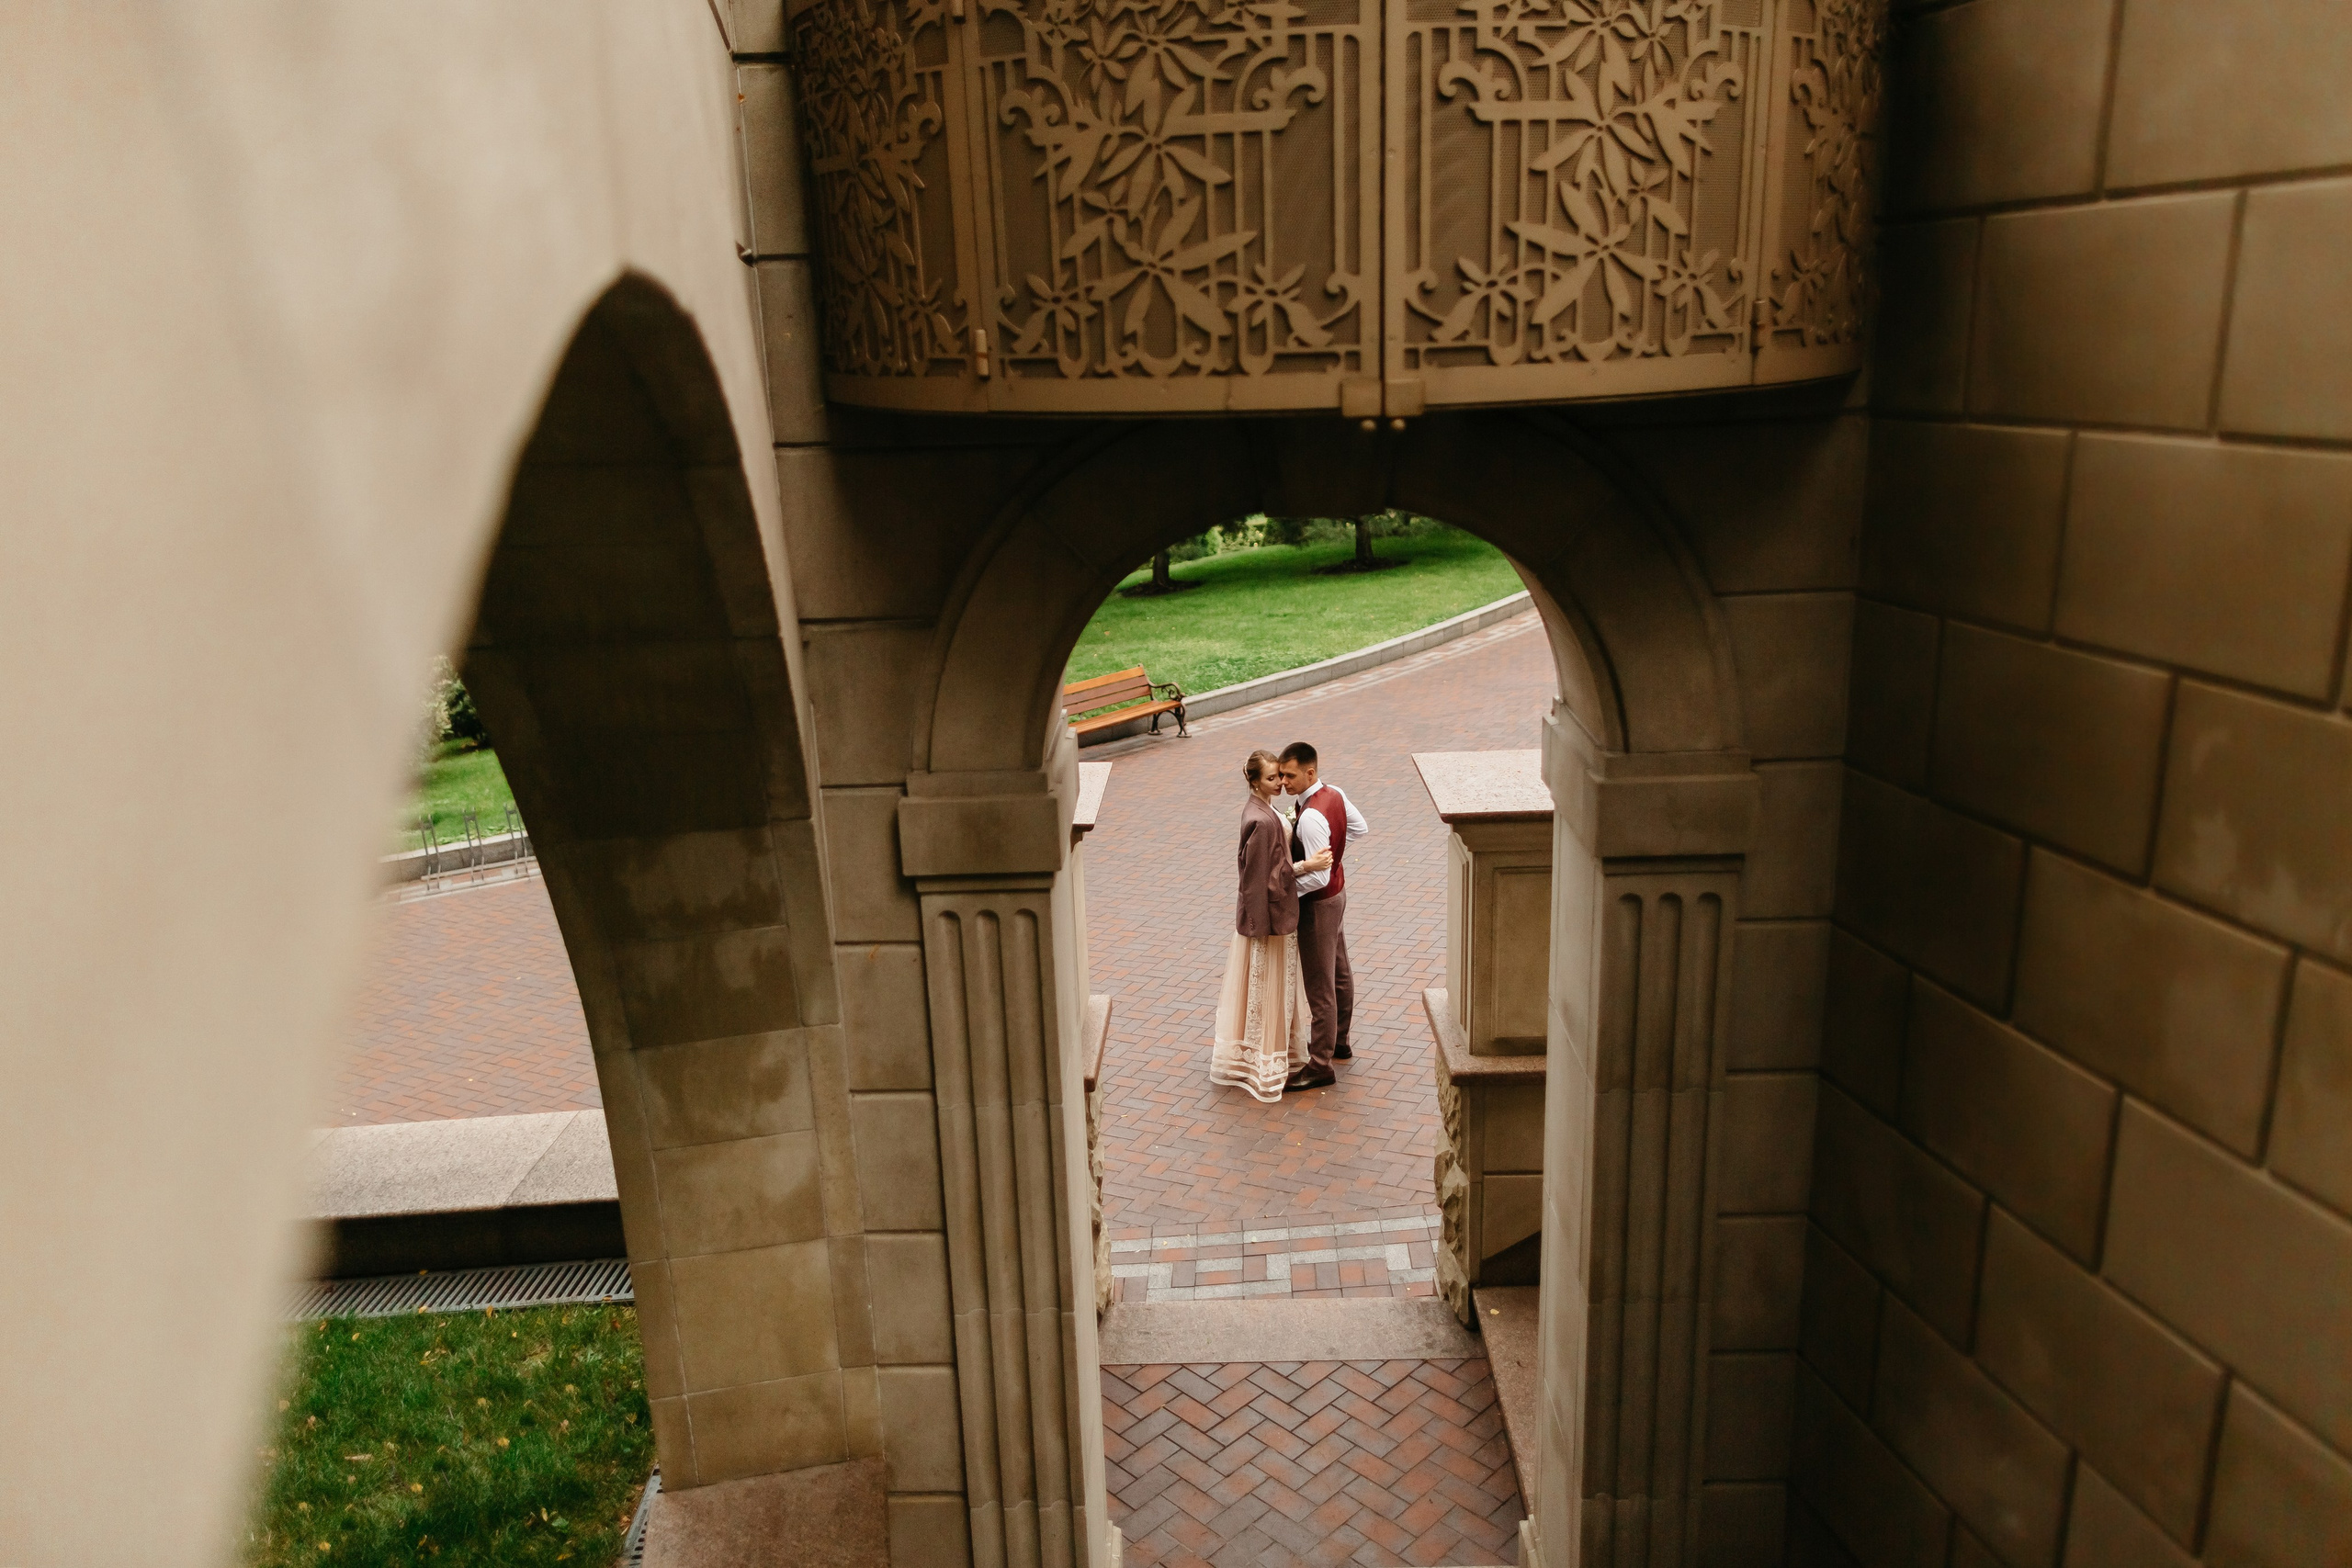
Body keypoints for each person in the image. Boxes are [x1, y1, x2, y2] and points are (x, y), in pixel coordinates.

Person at [1209, 749, 1333, 1104]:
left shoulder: (1262, 809)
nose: (1279, 783)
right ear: (1253, 781)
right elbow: (1261, 877)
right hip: (1271, 920)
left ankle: (1269, 1050)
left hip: (1272, 916)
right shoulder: (1262, 821)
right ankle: (1264, 1060)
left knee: (1268, 985)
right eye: (1271, 778)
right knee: (1268, 986)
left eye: (1280, 776)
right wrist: (1305, 867)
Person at [1278, 740, 1368, 1091]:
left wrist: (1286, 895)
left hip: (1317, 906)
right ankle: (1341, 1041)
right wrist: (1335, 851)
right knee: (1341, 971)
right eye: (1281, 775)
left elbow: (1317, 876)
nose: (1283, 782)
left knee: (1320, 986)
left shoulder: (1311, 816)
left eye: (1289, 775)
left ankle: (1319, 1065)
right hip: (1338, 896)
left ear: (1309, 772)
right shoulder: (1335, 793)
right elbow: (1360, 829)